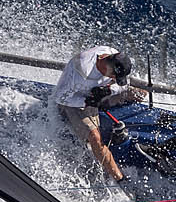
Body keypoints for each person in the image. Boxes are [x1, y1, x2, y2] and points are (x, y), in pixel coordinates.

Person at [52, 45, 145, 181]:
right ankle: (120, 179)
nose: (115, 79)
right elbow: (60, 97)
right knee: (95, 138)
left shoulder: (112, 54)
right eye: (114, 76)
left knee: (141, 94)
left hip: (99, 93)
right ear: (108, 67)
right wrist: (87, 102)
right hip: (75, 102)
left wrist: (109, 90)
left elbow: (123, 85)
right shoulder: (82, 71)